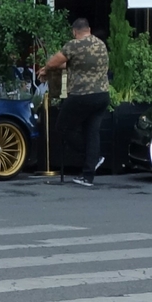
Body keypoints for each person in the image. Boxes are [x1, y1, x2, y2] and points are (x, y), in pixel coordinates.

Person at [40, 14, 111, 187]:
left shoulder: (74, 45)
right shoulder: (100, 44)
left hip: (81, 95)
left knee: (62, 128)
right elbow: (76, 63)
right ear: (89, 30)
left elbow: (54, 62)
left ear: (74, 32)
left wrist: (45, 69)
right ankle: (88, 176)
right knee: (92, 132)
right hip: (102, 95)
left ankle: (92, 157)